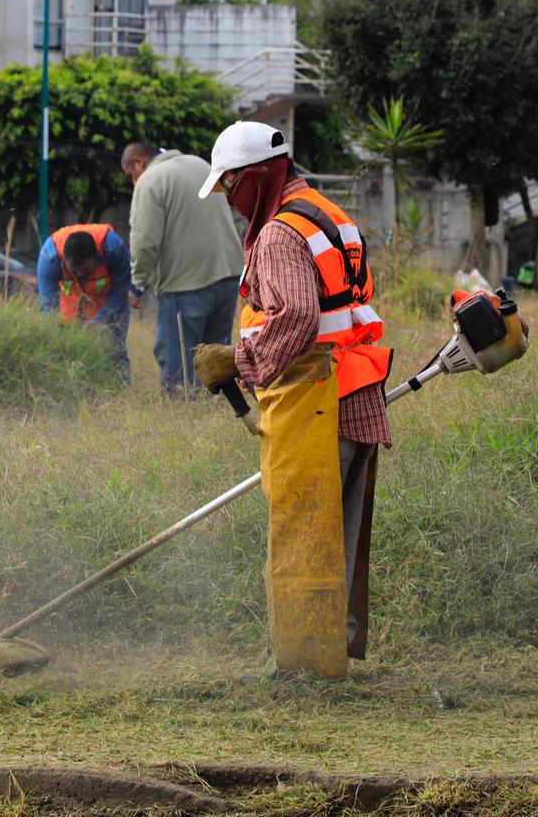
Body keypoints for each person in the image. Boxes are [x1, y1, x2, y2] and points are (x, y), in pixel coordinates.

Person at [191, 121, 394, 680]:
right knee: (341, 534)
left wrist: (242, 359)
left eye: (231, 186)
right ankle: (333, 651)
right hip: (353, 391)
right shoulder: (327, 215)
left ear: (257, 177)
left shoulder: (281, 232)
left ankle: (306, 665)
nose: (231, 201)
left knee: (304, 534)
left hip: (314, 399)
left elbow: (298, 315)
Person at [121, 142, 244, 393]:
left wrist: (137, 283)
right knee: (215, 358)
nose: (133, 181)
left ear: (138, 163)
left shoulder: (149, 181)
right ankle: (219, 409)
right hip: (229, 276)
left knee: (179, 364)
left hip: (185, 284)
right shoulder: (200, 165)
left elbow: (144, 242)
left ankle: (182, 416)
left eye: (130, 175)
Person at [37, 223, 132, 380]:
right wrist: (54, 337)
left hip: (107, 298)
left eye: (85, 270)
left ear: (96, 257)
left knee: (113, 350)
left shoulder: (112, 248)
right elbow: (48, 306)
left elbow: (121, 290)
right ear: (64, 260)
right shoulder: (49, 257)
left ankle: (119, 393)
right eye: (75, 271)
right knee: (67, 351)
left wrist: (98, 321)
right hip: (70, 301)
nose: (80, 274)